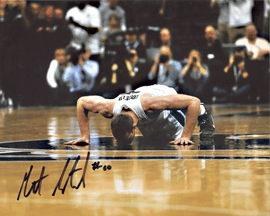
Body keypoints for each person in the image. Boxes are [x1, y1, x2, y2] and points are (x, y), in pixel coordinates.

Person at [64, 84, 215, 146]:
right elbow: (81, 102)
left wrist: (186, 136)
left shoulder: (151, 105)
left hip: (161, 93)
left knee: (177, 140)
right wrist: (85, 136)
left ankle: (204, 111)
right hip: (140, 98)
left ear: (133, 128)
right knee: (155, 141)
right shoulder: (109, 108)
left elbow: (193, 102)